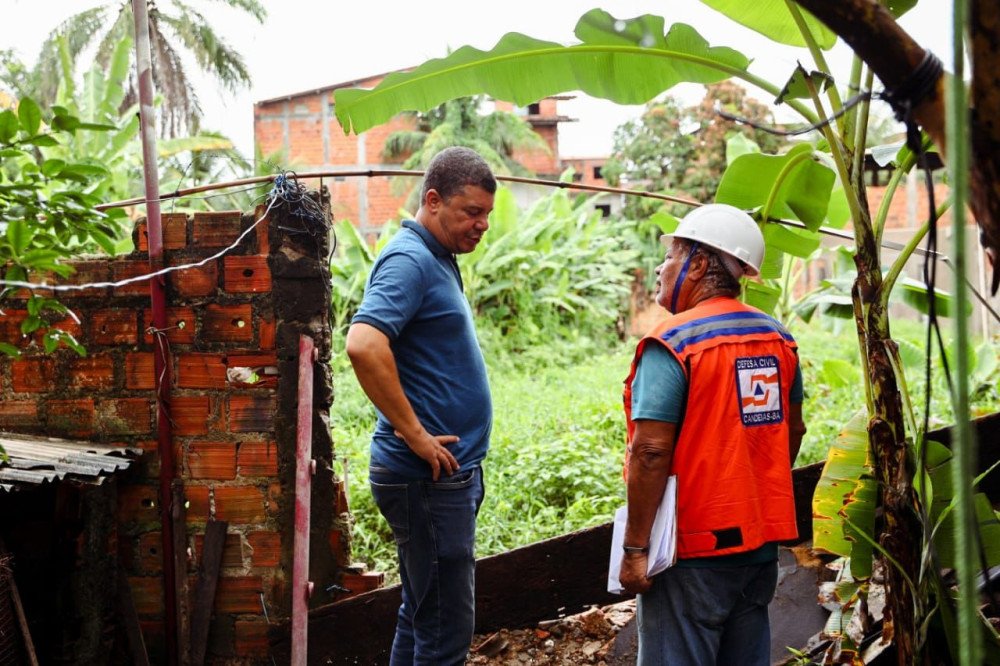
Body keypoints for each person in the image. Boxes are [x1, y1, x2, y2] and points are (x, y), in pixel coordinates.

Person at [618, 203, 806, 665]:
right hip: (759, 550)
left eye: (674, 255)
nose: (662, 267)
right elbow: (792, 432)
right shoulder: (778, 340)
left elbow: (649, 452)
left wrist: (636, 550)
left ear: (700, 264)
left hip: (692, 552)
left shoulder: (674, 343)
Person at [345, 146, 496, 665]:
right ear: (433, 200)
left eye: (487, 215)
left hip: (441, 477)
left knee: (422, 613)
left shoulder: (437, 257)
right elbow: (364, 343)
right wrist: (413, 432)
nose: (482, 225)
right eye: (471, 212)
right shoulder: (410, 259)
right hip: (425, 477)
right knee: (446, 631)